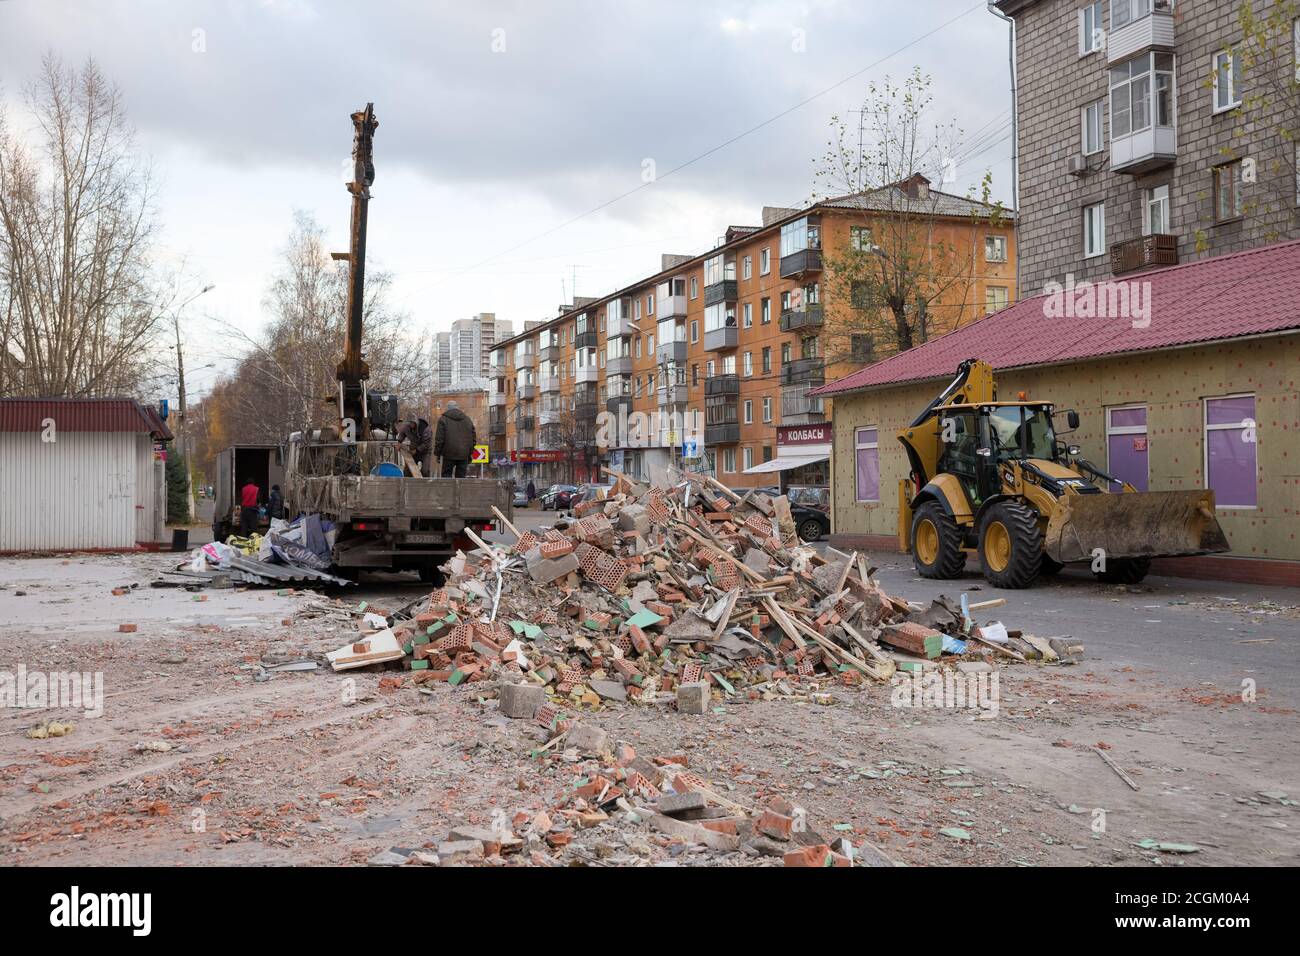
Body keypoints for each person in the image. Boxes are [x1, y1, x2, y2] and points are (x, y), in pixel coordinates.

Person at [433, 400, 476, 478]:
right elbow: (473, 438)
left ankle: (447, 490)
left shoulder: (443, 419)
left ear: (448, 409)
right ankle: (460, 490)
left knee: (446, 477)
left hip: (448, 453)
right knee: (461, 478)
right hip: (464, 454)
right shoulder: (467, 420)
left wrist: (437, 454)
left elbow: (439, 439)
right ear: (457, 408)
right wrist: (470, 452)